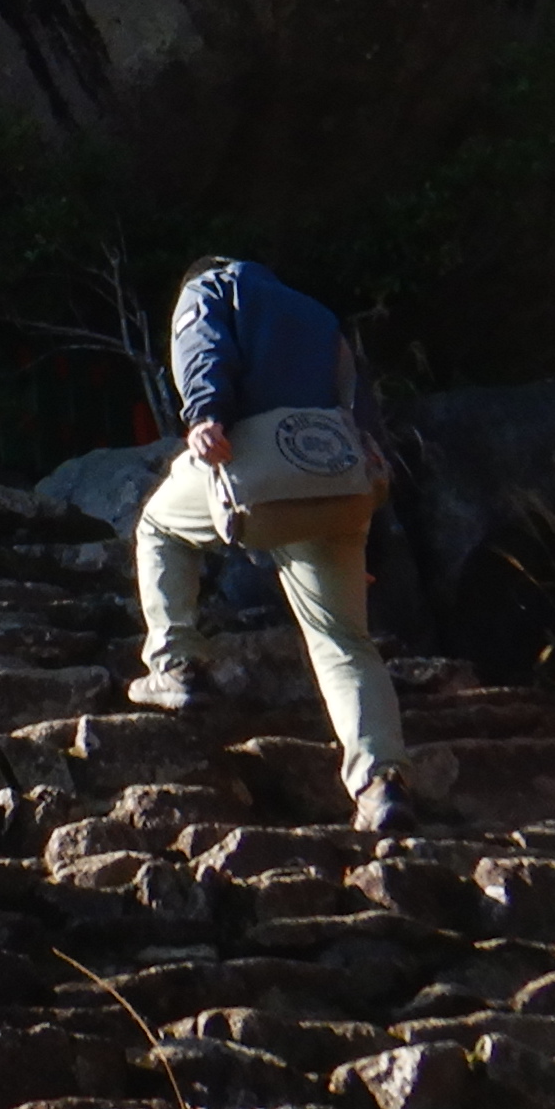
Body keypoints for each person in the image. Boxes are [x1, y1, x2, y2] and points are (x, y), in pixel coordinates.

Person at [130, 256, 416, 835]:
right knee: (344, 641)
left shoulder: (210, 287)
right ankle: (380, 783)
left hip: (254, 471)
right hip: (337, 481)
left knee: (157, 526)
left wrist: (205, 412)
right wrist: (370, 518)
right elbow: (359, 401)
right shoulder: (314, 312)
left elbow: (203, 346)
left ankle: (176, 663)